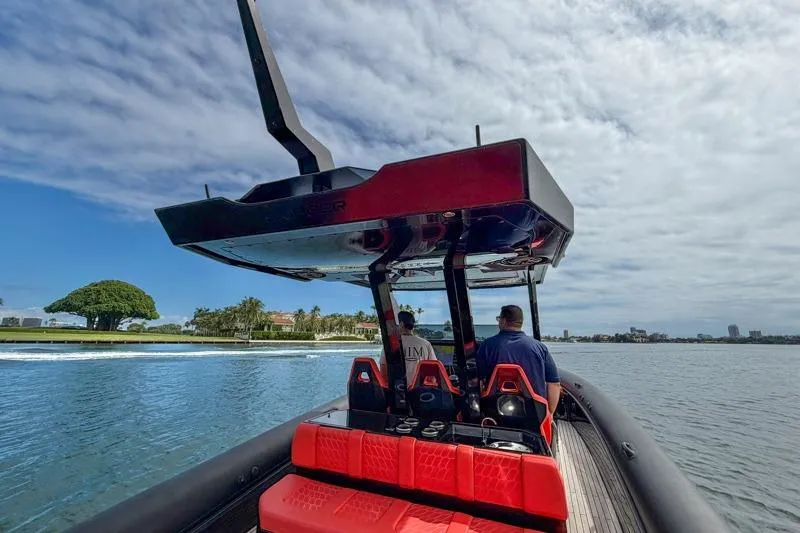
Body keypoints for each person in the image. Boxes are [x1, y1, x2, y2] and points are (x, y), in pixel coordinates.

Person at [475, 304, 560, 415]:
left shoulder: (486, 346)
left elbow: (477, 381)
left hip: (494, 413)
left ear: (504, 321)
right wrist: (549, 414)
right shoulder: (540, 348)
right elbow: (554, 384)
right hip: (534, 415)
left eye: (499, 319)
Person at [379, 310, 437, 384]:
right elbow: (434, 372)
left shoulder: (390, 345)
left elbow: (383, 373)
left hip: (398, 390)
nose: (393, 328)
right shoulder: (426, 344)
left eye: (395, 325)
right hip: (419, 390)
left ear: (401, 324)